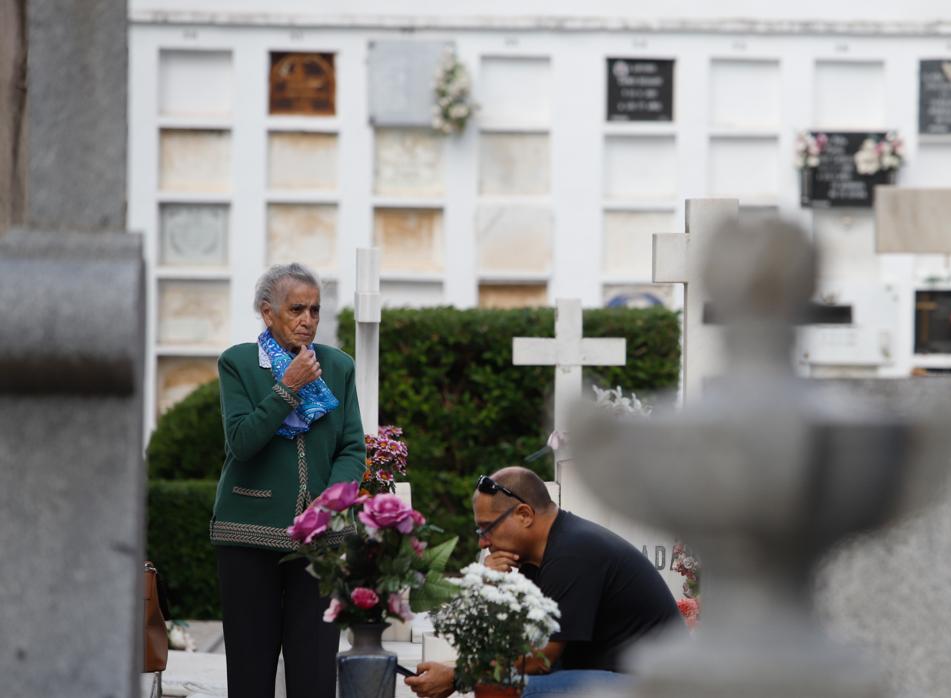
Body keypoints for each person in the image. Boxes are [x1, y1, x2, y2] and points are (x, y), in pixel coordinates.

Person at [212, 263, 365, 698]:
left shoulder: (338, 366)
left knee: (315, 673)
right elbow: (242, 442)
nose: (308, 320)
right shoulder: (238, 362)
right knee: (250, 670)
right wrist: (288, 388)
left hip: (321, 542)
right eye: (297, 309)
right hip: (247, 535)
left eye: (315, 310)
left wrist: (330, 504)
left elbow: (352, 448)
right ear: (267, 313)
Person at [406, 467, 680, 697]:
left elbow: (540, 659)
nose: (482, 541)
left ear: (524, 515)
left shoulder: (573, 553)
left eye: (488, 528)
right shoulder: (537, 559)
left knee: (501, 688)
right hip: (612, 676)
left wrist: (457, 676)